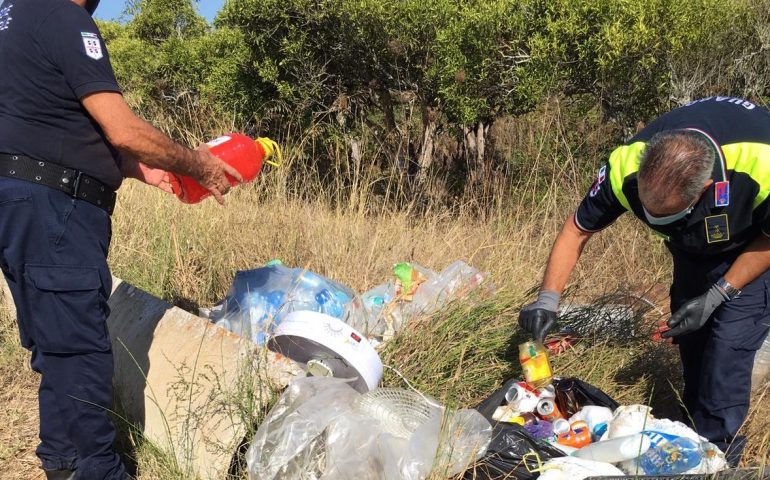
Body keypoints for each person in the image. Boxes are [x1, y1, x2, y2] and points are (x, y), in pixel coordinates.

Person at [0, 0, 243, 478]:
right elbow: (123, 128)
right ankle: (98, 471)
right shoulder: (64, 18)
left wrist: (134, 167)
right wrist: (199, 164)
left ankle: (64, 461)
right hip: (55, 208)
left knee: (56, 343)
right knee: (82, 345)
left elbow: (49, 121)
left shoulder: (12, 16)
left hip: (19, 201)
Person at [518, 96, 770, 465]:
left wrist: (719, 294)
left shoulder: (760, 164)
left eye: (665, 216)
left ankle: (715, 457)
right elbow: (577, 230)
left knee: (728, 351)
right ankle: (690, 432)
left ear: (702, 191)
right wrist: (548, 300)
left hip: (753, 246)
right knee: (692, 339)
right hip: (693, 246)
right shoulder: (625, 166)